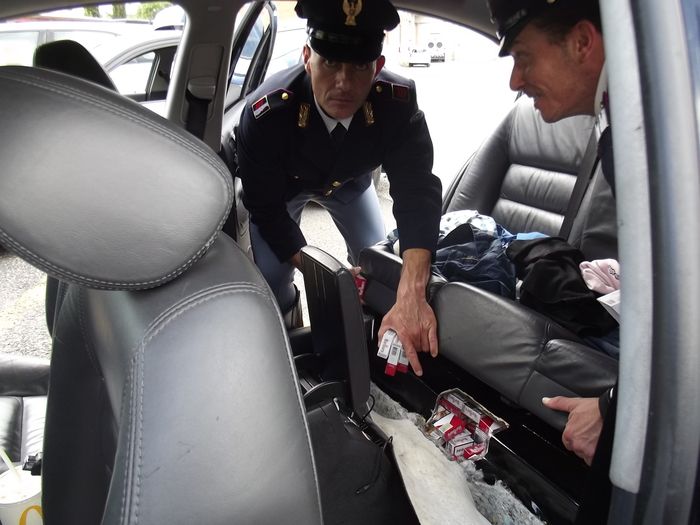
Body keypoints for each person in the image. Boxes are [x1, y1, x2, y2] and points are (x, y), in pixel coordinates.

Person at [235, 0, 442, 375]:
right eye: (330, 62)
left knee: (377, 265)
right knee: (273, 277)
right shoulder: (267, 112)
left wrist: (411, 290)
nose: (344, 82)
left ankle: (368, 342)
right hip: (285, 193)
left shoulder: (395, 102)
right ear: (307, 58)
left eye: (360, 66)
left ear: (377, 66)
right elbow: (265, 207)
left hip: (350, 184)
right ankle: (281, 347)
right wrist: (324, 273)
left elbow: (417, 191)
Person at [486, 0, 616, 467]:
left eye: (523, 57)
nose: (514, 81)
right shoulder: (623, 118)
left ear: (582, 42)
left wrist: (614, 408)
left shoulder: (662, 130)